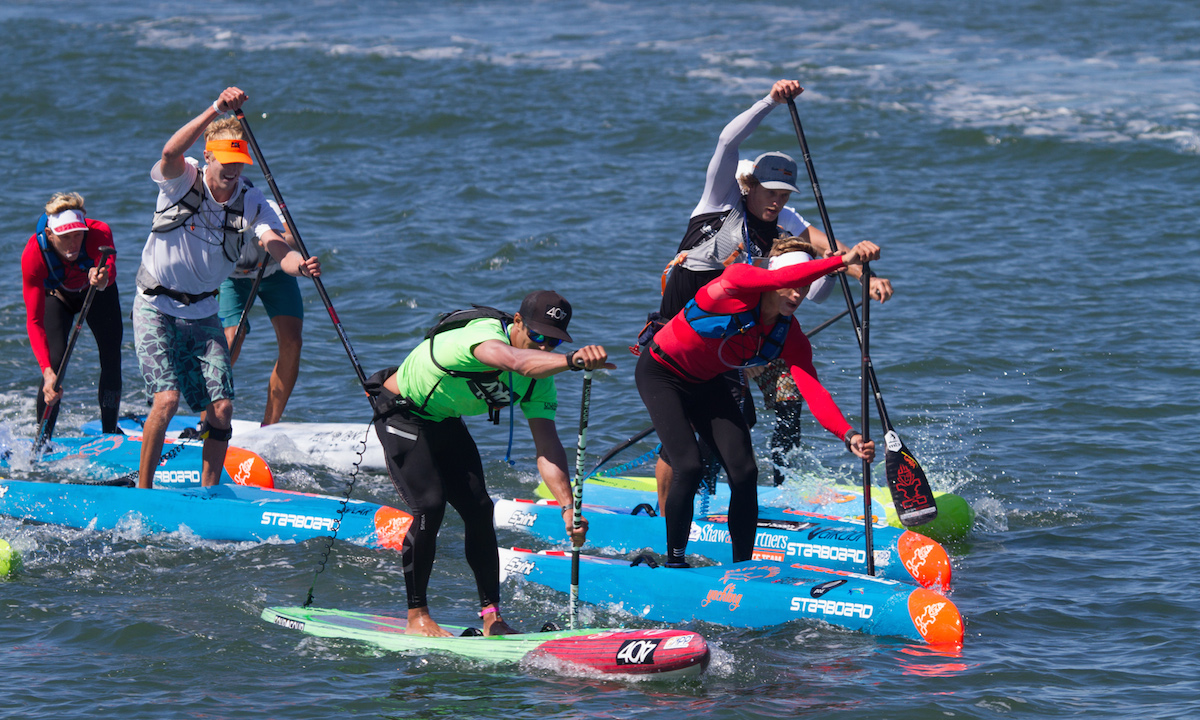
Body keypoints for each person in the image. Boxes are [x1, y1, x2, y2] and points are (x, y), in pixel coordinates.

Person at [649, 79, 895, 505]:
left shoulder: (784, 220)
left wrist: (864, 277)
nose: (777, 202)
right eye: (770, 192)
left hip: (736, 333)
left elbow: (826, 249)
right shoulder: (719, 200)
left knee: (784, 402)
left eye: (784, 195)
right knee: (693, 433)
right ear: (750, 186)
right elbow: (727, 139)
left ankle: (772, 493)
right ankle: (672, 507)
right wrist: (771, 101)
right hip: (679, 334)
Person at [368, 291, 612, 637]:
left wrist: (568, 506)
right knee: (431, 506)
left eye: (554, 342)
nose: (543, 348)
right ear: (516, 322)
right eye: (538, 336)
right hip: (403, 413)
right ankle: (417, 617)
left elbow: (548, 447)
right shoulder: (480, 337)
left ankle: (491, 617)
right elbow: (515, 362)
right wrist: (571, 360)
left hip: (445, 418)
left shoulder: (540, 382)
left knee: (480, 509)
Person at [636, 238, 880, 566]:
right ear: (774, 280)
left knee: (745, 471)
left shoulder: (789, 336)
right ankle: (676, 562)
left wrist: (848, 435)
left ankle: (742, 567)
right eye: (793, 283)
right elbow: (778, 278)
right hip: (661, 373)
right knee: (689, 465)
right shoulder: (734, 285)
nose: (798, 293)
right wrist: (843, 260)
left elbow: (814, 391)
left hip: (706, 382)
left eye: (805, 287)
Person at [132, 86, 320, 489]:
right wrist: (215, 108)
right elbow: (168, 152)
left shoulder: (252, 200)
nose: (233, 170)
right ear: (209, 155)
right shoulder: (180, 180)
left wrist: (298, 266)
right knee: (166, 402)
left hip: (203, 312)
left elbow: (274, 244)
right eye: (227, 161)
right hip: (155, 306)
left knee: (223, 408)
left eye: (240, 161)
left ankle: (209, 492)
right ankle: (143, 490)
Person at [21, 192, 122, 436]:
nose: (73, 243)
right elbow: (34, 322)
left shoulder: (99, 233)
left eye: (78, 234)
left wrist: (102, 277)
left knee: (111, 357)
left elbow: (110, 270)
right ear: (49, 235)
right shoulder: (33, 255)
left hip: (97, 293)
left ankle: (109, 433)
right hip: (59, 295)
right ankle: (43, 439)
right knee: (54, 366)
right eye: (65, 236)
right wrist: (46, 372)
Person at [219, 197, 304, 426]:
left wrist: (271, 240)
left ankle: (269, 425)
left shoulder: (263, 206)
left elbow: (294, 239)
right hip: (234, 279)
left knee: (293, 342)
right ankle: (208, 420)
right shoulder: (214, 211)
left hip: (275, 273)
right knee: (232, 338)